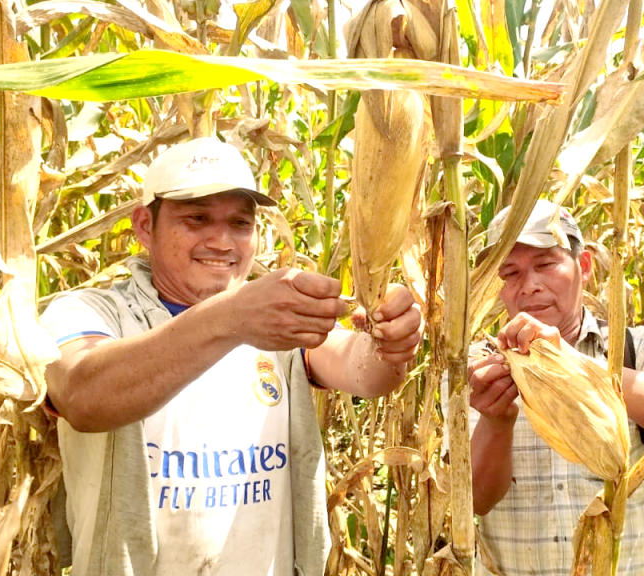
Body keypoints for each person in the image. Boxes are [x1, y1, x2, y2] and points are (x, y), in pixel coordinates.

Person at [40, 137, 422, 576]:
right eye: (197, 218)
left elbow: (364, 371)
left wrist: (392, 343)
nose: (222, 241)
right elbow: (83, 395)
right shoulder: (87, 313)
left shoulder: (276, 318)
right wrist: (231, 318)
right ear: (145, 225)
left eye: (240, 224)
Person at [466, 199, 644, 576]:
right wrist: (495, 422)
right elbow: (476, 500)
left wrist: (572, 364)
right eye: (510, 273)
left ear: (583, 267)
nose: (529, 286)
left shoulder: (635, 347)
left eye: (545, 264)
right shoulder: (478, 370)